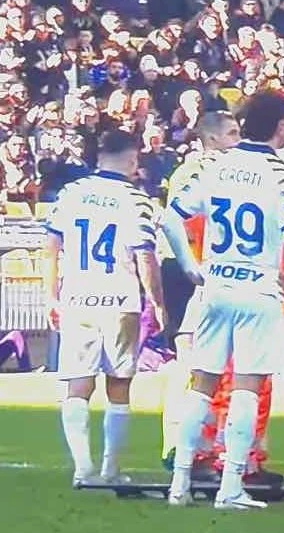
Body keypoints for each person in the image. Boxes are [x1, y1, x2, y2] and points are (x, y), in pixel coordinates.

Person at [162, 91, 284, 510]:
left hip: (215, 285)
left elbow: (171, 218)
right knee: (247, 387)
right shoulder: (282, 173)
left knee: (202, 386)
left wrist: (192, 267)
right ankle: (231, 486)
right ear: (280, 125)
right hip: (258, 289)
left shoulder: (217, 165)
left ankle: (179, 486)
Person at [45, 130, 165, 487]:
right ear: (132, 160)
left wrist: (51, 295)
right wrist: (157, 302)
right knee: (119, 385)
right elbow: (145, 255)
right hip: (120, 300)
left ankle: (83, 469)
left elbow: (50, 247)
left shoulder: (71, 193)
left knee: (77, 386)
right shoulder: (135, 199)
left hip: (78, 298)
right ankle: (111, 470)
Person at [159, 110, 240, 478]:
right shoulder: (197, 173)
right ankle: (179, 443)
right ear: (212, 139)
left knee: (211, 361)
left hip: (203, 266)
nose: (238, 141)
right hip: (189, 268)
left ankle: (203, 444)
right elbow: (183, 223)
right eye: (233, 134)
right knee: (190, 357)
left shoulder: (213, 171)